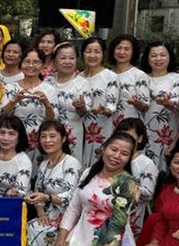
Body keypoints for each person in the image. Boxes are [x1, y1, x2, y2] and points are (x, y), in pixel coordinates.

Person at [2, 48, 56, 166]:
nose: (31, 66)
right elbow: (3, 115)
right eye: (27, 62)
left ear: (42, 65)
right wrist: (14, 101)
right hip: (14, 138)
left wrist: (47, 104)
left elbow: (51, 120)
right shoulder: (11, 87)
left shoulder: (49, 89)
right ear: (21, 63)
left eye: (36, 62)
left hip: (38, 140)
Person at [80, 37, 120, 168]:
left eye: (97, 52)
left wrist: (104, 110)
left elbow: (112, 105)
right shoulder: (78, 77)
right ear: (82, 53)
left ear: (103, 54)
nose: (92, 55)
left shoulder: (110, 77)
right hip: (80, 129)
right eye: (88, 51)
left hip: (101, 128)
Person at [116, 118, 159, 237]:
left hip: (135, 216)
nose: (124, 139)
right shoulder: (113, 157)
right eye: (121, 135)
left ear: (139, 138)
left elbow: (148, 194)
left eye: (129, 135)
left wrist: (125, 187)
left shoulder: (146, 164)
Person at [46, 42, 87, 162]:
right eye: (63, 58)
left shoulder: (82, 83)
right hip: (49, 133)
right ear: (54, 61)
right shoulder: (47, 81)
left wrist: (80, 107)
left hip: (72, 134)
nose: (67, 62)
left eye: (71, 58)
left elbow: (83, 113)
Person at [141, 42, 179, 170]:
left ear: (170, 57)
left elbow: (176, 101)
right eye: (154, 55)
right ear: (147, 58)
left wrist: (169, 103)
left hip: (167, 132)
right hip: (142, 132)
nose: (158, 59)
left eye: (162, 55)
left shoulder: (176, 79)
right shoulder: (140, 78)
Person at [109, 35, 149, 125]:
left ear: (133, 52)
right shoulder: (107, 75)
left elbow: (145, 107)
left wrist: (136, 103)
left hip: (130, 125)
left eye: (127, 49)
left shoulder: (139, 75)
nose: (122, 52)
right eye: (118, 48)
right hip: (107, 125)